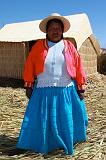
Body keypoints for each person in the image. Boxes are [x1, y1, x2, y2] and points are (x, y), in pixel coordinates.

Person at [17, 13, 88, 155]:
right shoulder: (38, 47)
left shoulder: (69, 46)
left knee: (65, 118)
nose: (55, 31)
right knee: (38, 118)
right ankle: (34, 143)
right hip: (43, 90)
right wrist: (29, 85)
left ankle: (64, 141)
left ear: (62, 31)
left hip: (65, 90)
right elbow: (29, 65)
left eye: (58, 29)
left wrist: (81, 86)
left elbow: (78, 65)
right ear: (47, 31)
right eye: (51, 29)